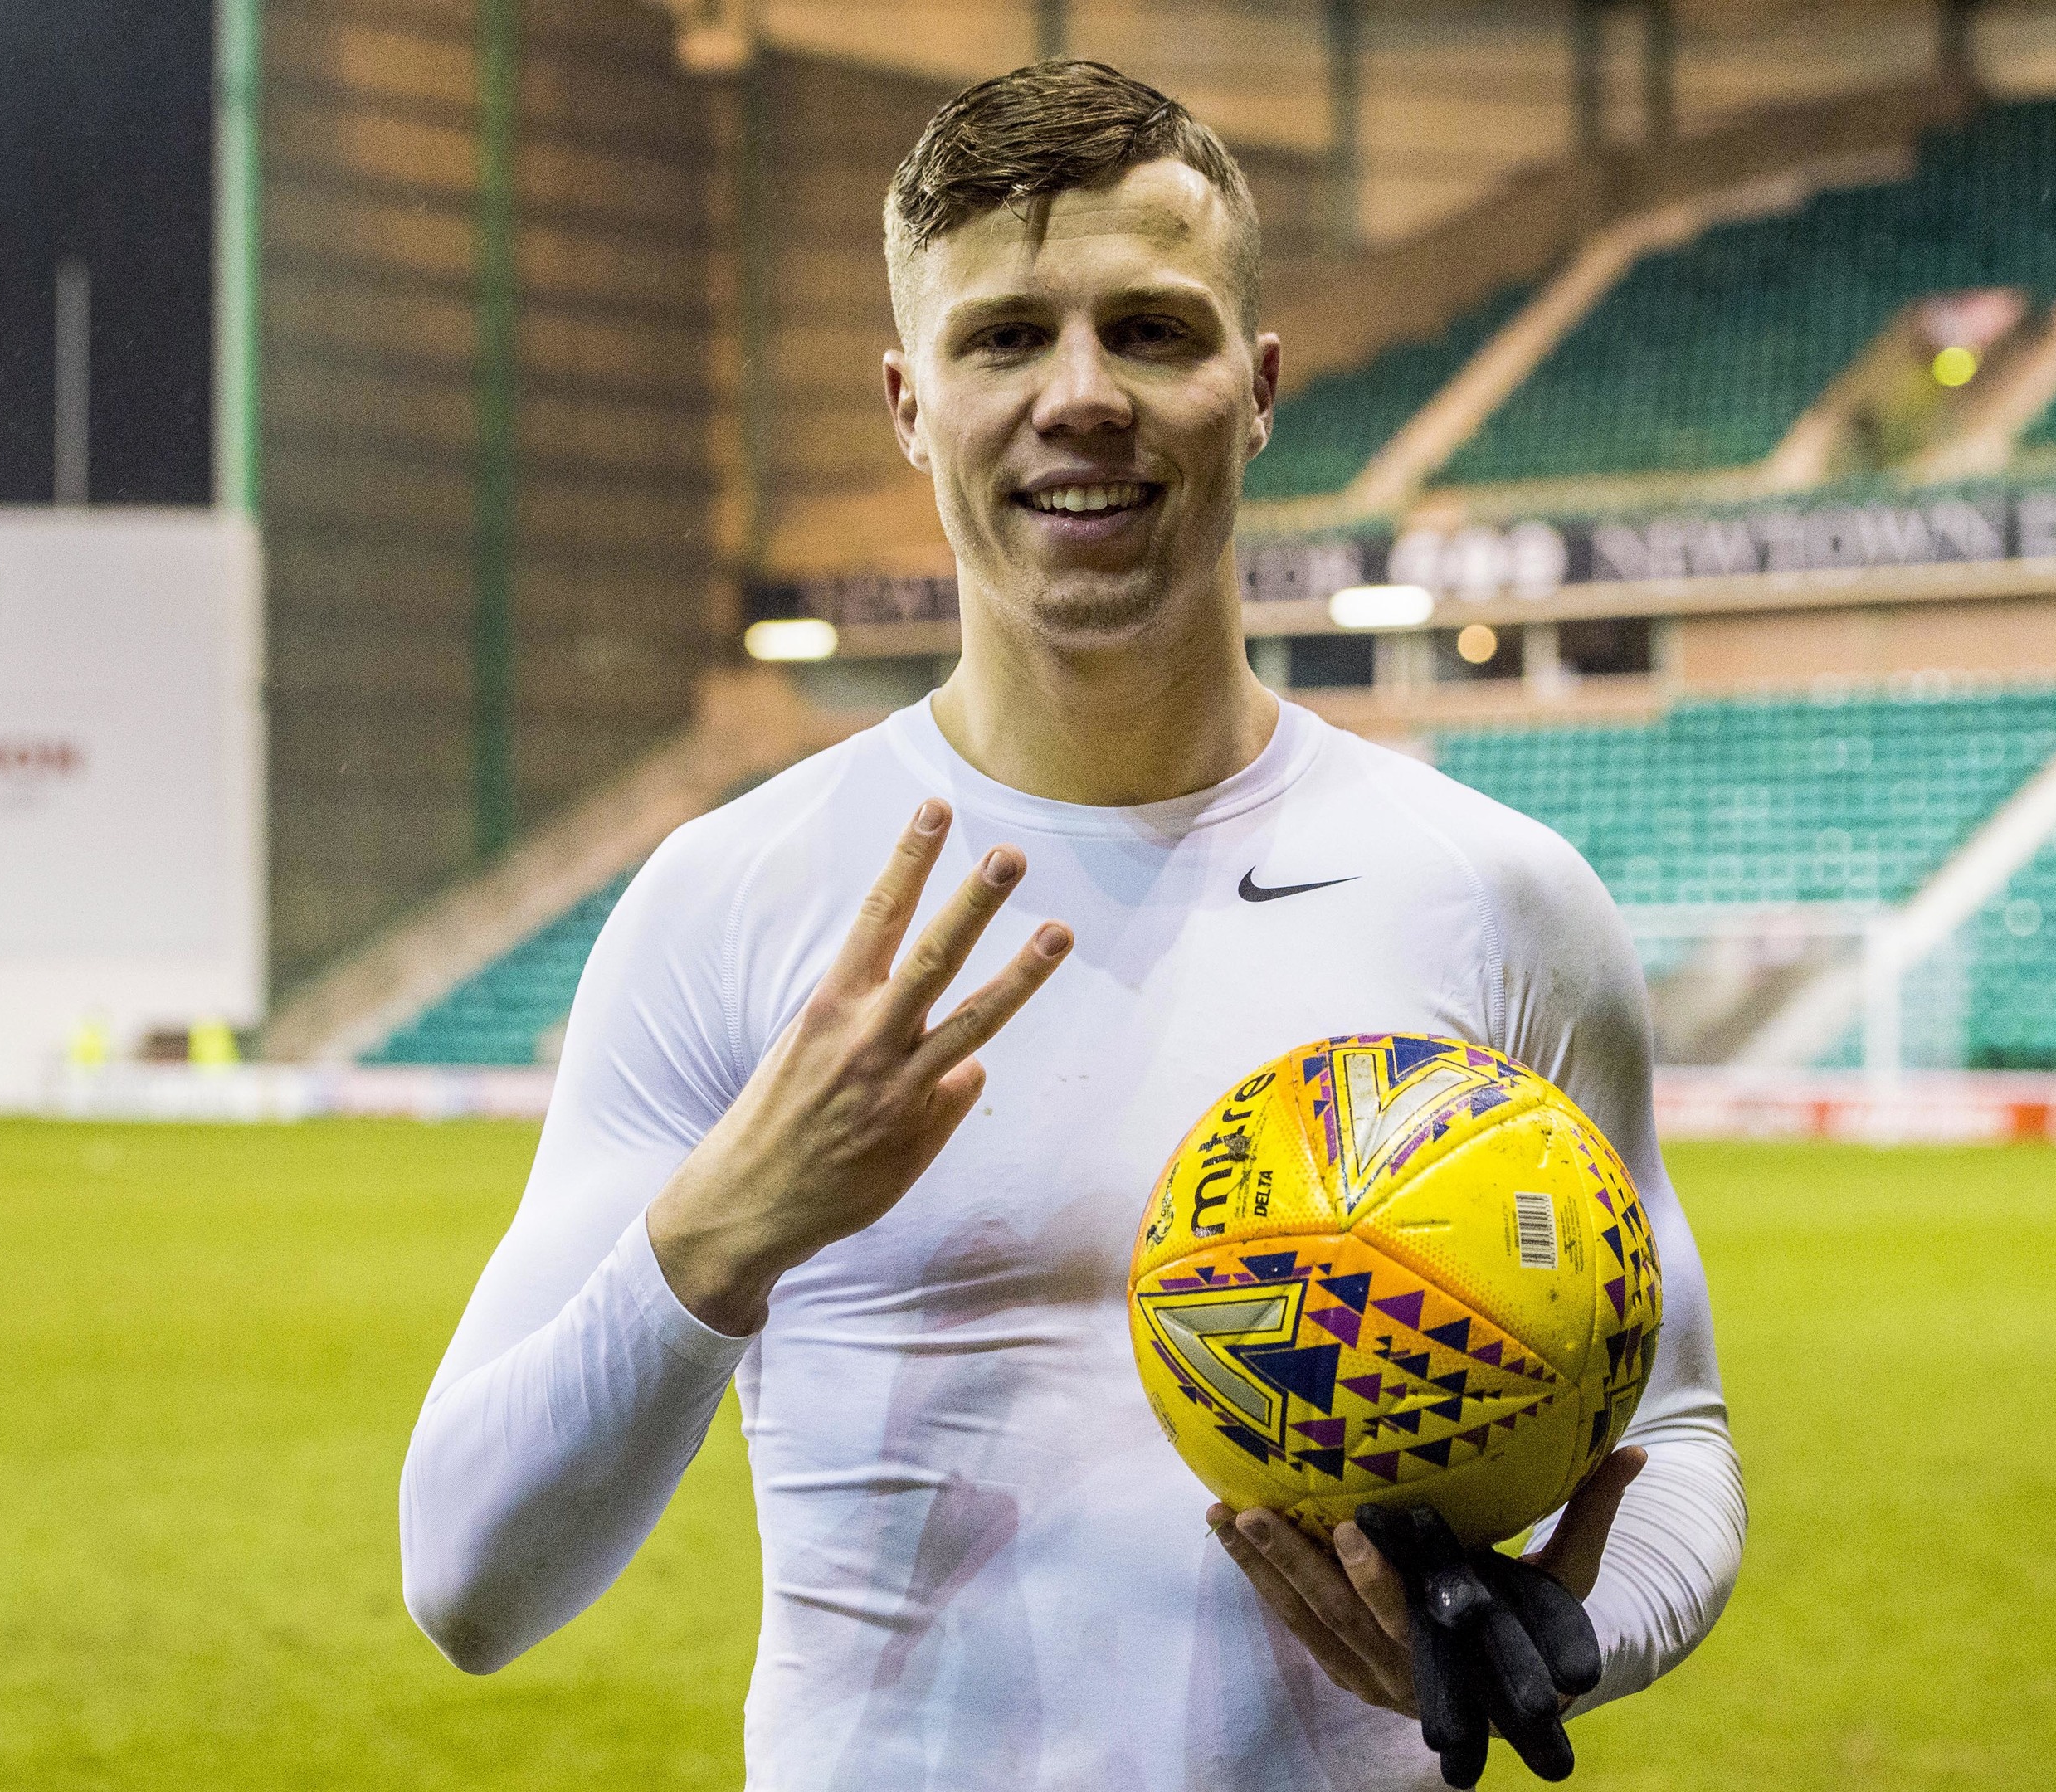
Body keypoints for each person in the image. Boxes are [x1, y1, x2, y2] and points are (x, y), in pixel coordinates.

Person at [401, 60, 1743, 1791]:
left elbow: (1676, 1435)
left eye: (1155, 333)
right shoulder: (734, 902)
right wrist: (725, 1231)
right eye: (1006, 337)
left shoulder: (1492, 896)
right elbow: (471, 1582)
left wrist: (1570, 1631)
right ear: (908, 403)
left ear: (1257, 389)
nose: (1082, 397)